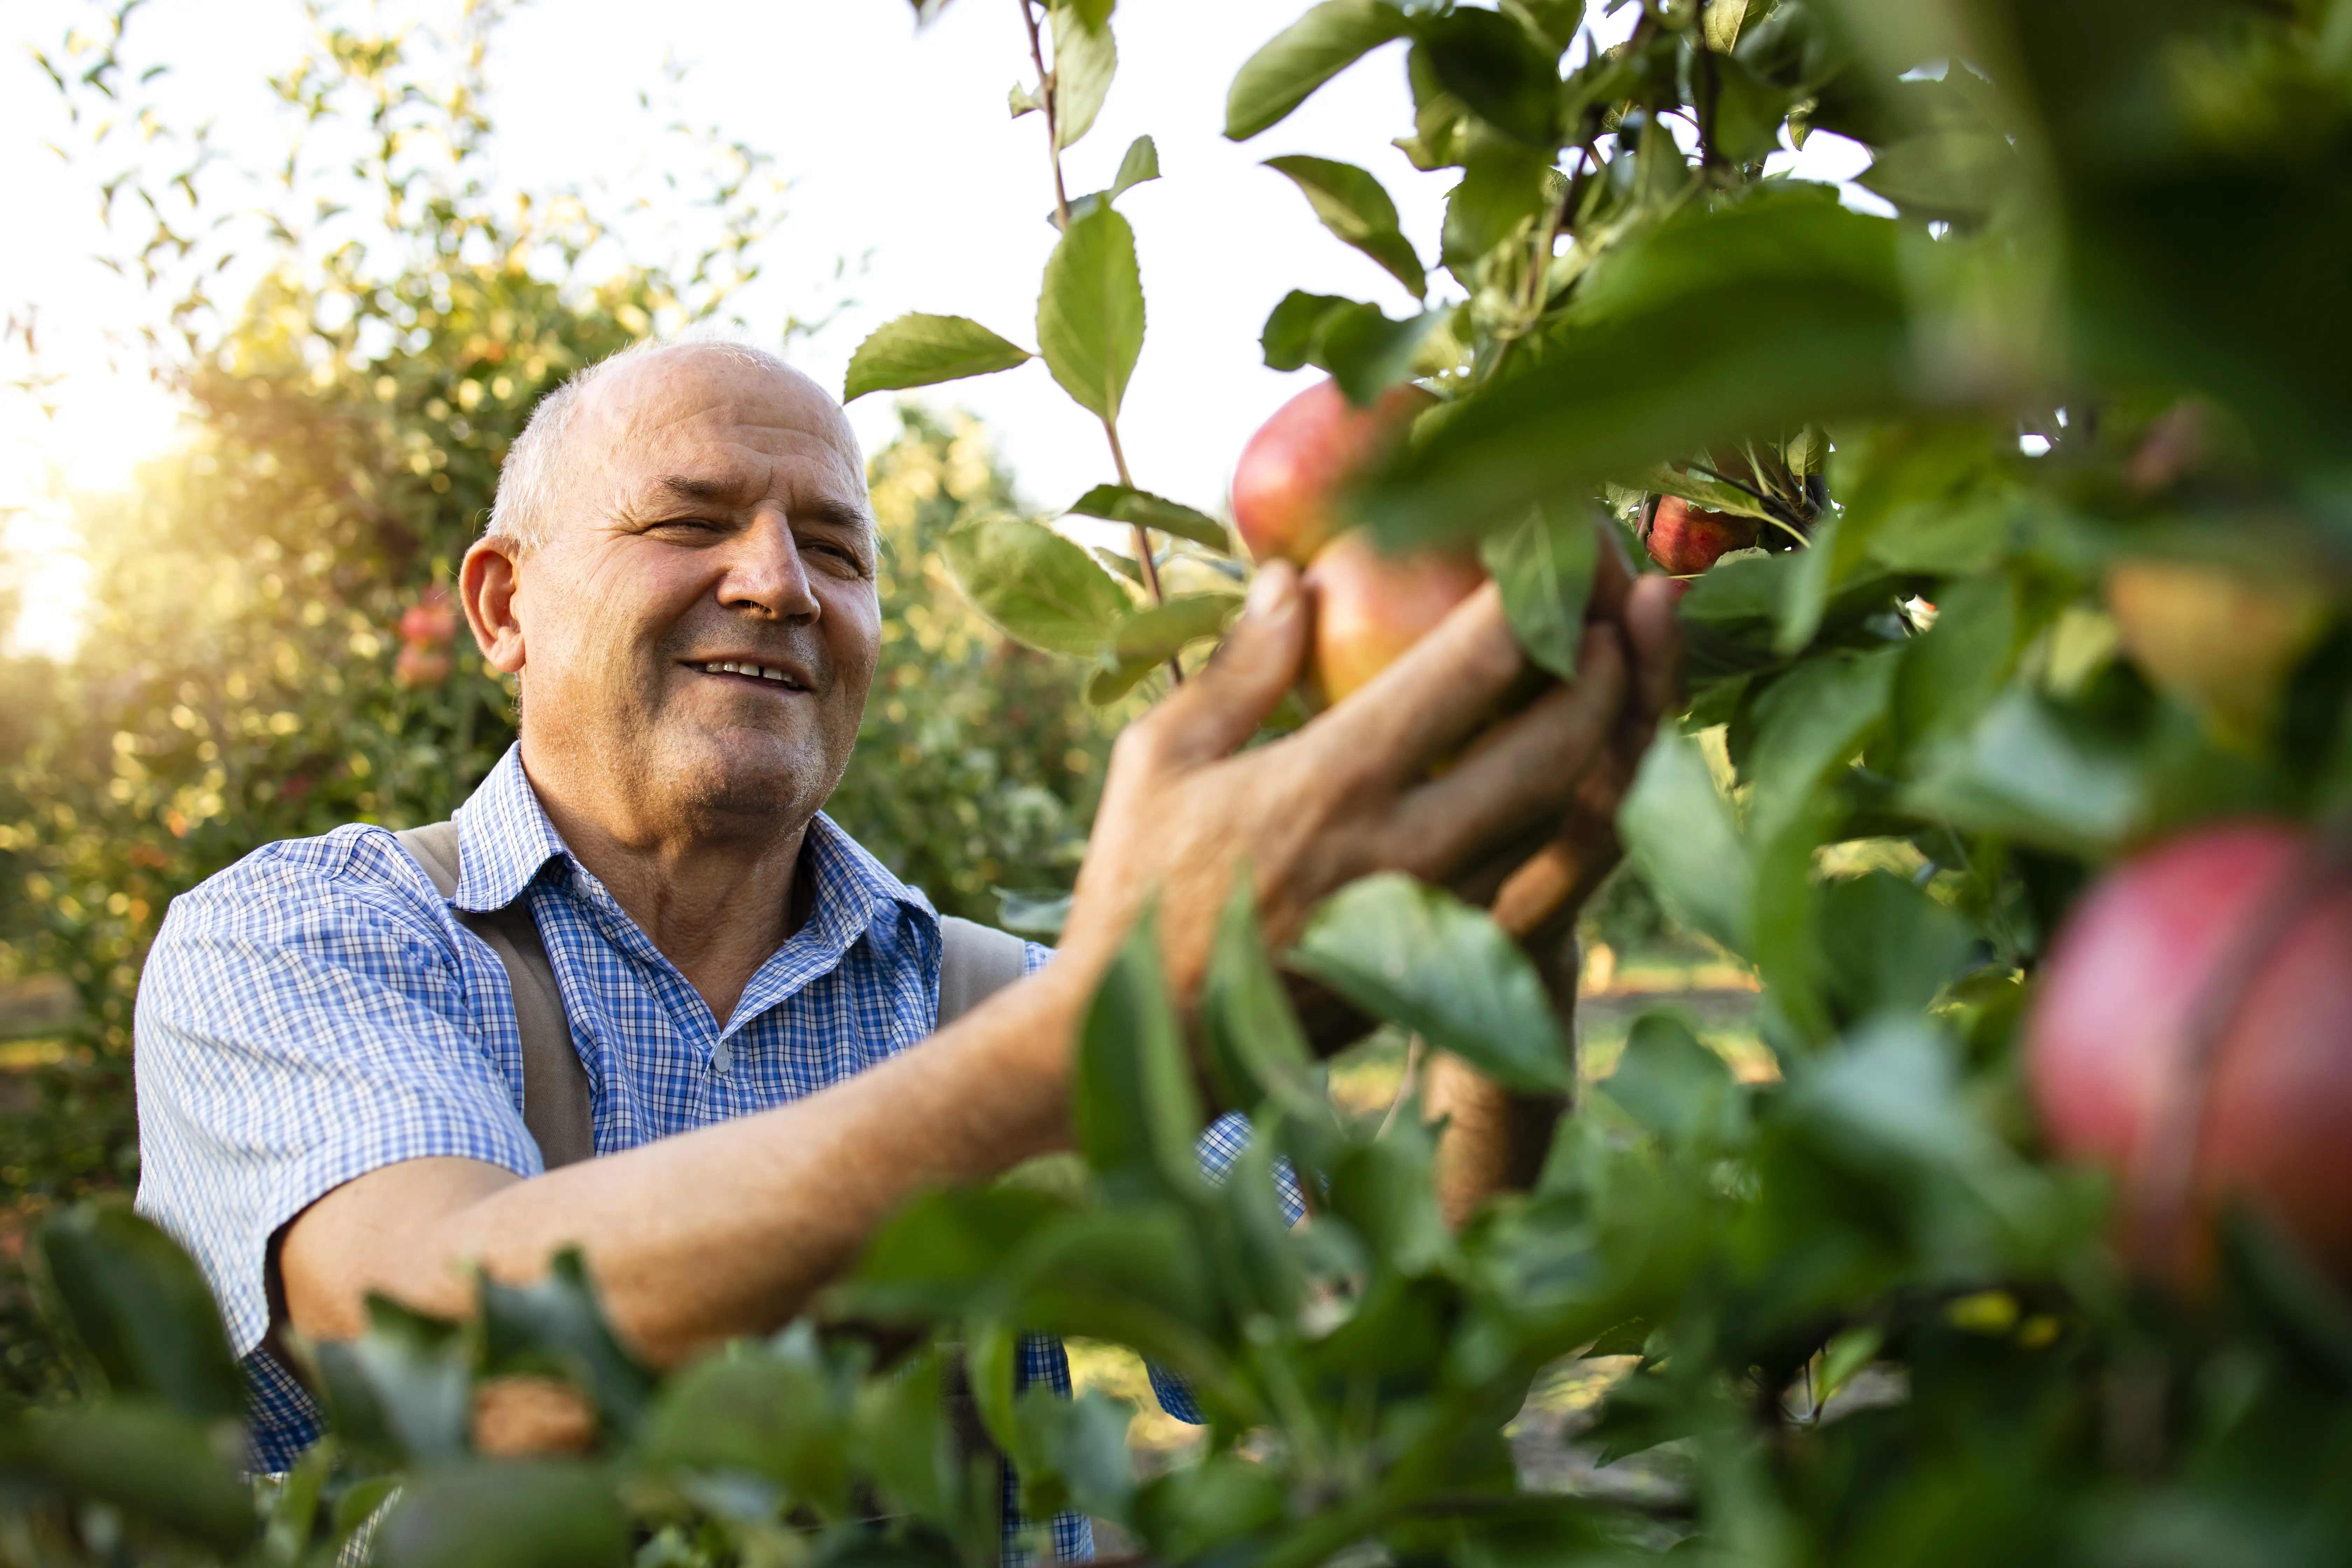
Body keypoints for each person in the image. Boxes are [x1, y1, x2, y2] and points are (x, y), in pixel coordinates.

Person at [132, 339, 1680, 1546]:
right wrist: (1102, 1047)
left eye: (838, 548)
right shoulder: (302, 945)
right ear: (502, 605)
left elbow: (1384, 1378)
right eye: (689, 520)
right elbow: (477, 1375)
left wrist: (1517, 934)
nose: (779, 584)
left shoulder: (992, 1003)